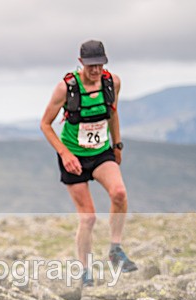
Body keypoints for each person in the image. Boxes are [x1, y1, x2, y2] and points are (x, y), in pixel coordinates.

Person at [40, 39, 137, 286]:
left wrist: (117, 144)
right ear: (81, 63)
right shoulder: (66, 88)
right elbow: (45, 124)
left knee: (119, 193)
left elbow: (113, 113)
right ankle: (85, 271)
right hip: (73, 156)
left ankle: (115, 249)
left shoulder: (112, 82)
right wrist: (65, 154)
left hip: (101, 151)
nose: (95, 70)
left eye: (100, 65)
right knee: (88, 218)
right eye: (91, 66)